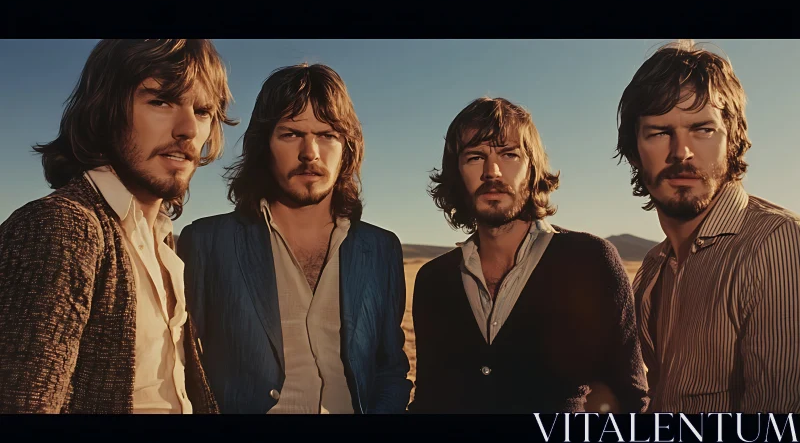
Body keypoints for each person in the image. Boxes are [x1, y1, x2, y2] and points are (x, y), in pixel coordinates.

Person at [0, 39, 236, 413]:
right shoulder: (63, 226)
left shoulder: (163, 243)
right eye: (161, 101)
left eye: (204, 111)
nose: (189, 128)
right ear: (106, 109)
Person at [177, 63, 412, 414]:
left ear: (348, 147)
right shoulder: (208, 242)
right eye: (290, 134)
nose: (310, 153)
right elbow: (185, 372)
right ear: (263, 145)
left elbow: (390, 367)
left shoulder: (380, 249)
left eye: (327, 134)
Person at [408, 96, 649, 413]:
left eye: (509, 155)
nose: (492, 171)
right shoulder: (434, 280)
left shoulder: (590, 261)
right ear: (457, 173)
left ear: (532, 167)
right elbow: (428, 401)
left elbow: (631, 398)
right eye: (474, 157)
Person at [615, 40, 800, 412]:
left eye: (702, 129)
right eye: (659, 132)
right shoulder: (653, 266)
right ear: (635, 150)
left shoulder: (777, 243)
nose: (680, 151)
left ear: (731, 140)